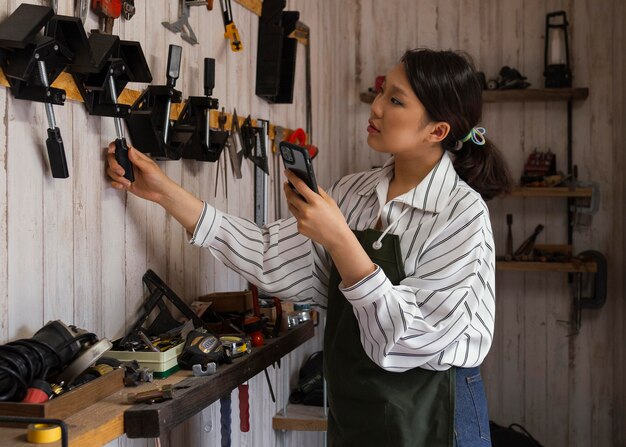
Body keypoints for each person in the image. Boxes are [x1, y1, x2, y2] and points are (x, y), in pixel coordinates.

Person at [107, 48, 512, 447]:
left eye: (395, 100)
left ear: (436, 131)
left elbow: (403, 339)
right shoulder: (353, 194)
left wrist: (339, 239)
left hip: (436, 417)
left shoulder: (462, 215)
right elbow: (268, 255)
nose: (375, 108)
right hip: (358, 413)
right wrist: (164, 193)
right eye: (381, 91)